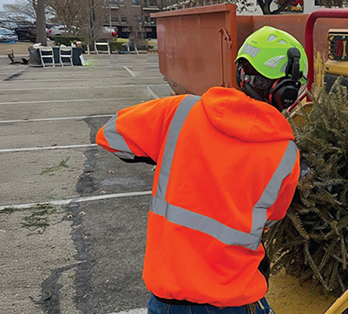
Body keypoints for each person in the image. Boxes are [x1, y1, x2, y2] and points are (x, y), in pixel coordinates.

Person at [95, 26, 309, 314]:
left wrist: (162, 152)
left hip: (167, 301)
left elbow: (109, 135)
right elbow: (269, 220)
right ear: (287, 90)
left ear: (240, 73)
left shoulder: (180, 112)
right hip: (232, 300)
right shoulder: (286, 156)